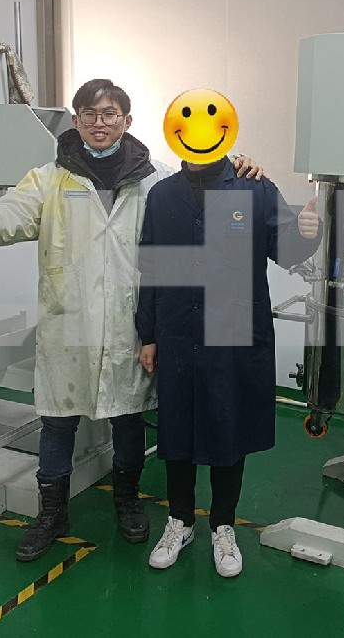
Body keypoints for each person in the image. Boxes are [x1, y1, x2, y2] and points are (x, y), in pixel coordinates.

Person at [0, 79, 264, 562]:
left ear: (127, 121)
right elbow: (7, 218)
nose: (99, 123)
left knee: (128, 419)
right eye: (88, 114)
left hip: (129, 324)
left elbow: (204, 187)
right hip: (68, 321)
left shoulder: (154, 180)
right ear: (75, 121)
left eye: (109, 114)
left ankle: (127, 501)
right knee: (57, 421)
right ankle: (51, 513)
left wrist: (239, 166)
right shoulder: (49, 179)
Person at [135, 131, 321, 578]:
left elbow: (285, 251)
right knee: (177, 426)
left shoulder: (253, 187)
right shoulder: (163, 195)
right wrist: (149, 333)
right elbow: (151, 269)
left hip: (233, 326)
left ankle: (222, 525)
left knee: (227, 426)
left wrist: (306, 233)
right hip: (178, 326)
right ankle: (179, 521)